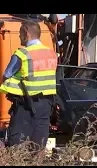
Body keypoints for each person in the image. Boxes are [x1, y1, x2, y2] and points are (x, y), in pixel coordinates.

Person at [0, 20, 58, 150]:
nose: (19, 36)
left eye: (20, 33)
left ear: (26, 33)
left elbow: (6, 75)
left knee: (17, 143)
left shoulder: (22, 54)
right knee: (38, 142)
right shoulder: (51, 54)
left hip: (25, 105)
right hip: (46, 105)